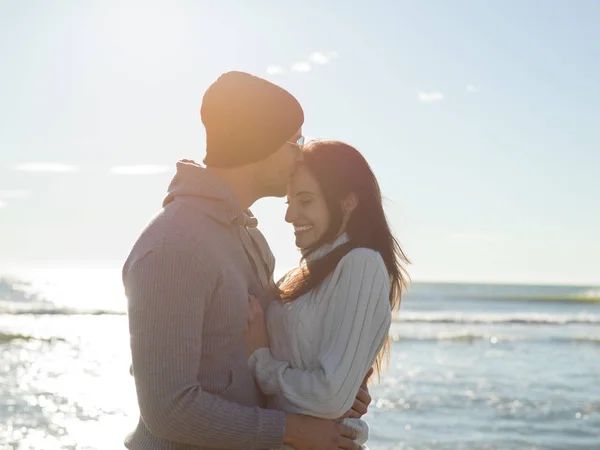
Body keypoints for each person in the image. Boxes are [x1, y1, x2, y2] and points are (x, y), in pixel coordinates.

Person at [122, 71, 372, 450]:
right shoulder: (175, 246)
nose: (301, 154)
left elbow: (264, 352)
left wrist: (332, 390)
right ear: (263, 143)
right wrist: (294, 430)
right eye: (295, 141)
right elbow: (168, 409)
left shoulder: (249, 237)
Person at [245, 140, 410, 448]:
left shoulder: (361, 264)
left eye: (305, 201)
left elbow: (329, 396)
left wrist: (262, 362)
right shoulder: (297, 276)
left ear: (348, 202)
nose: (290, 215)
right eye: (289, 202)